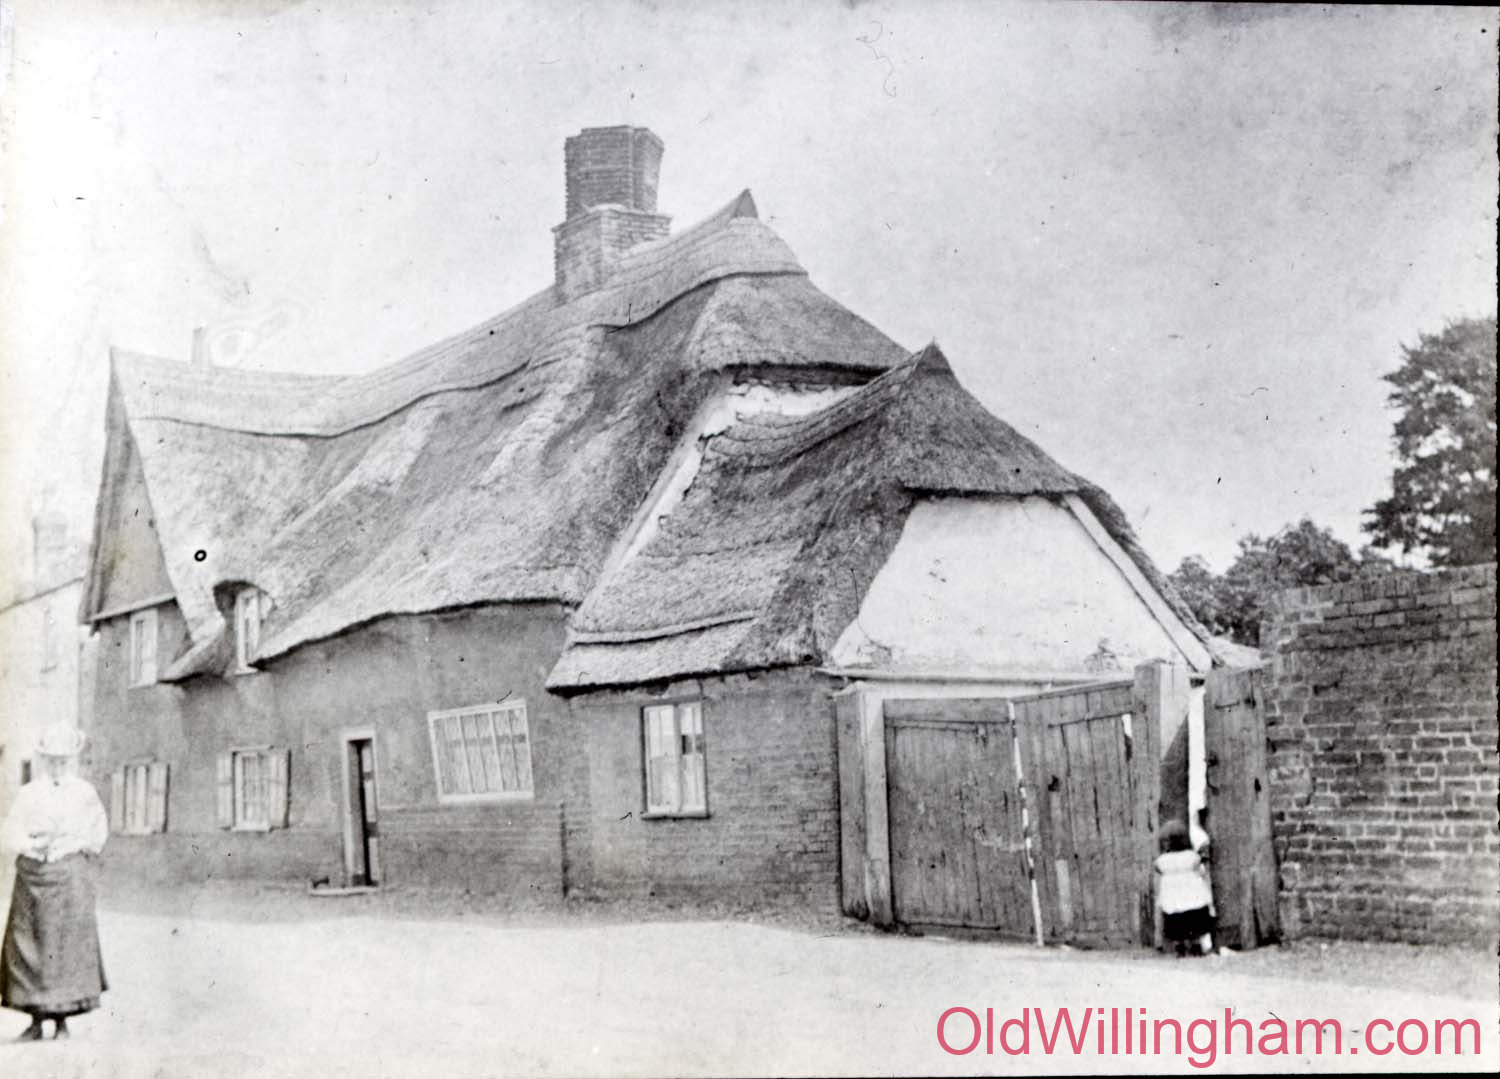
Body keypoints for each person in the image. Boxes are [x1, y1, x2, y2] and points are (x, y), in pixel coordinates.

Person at [1, 726, 109, 1041]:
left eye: (63, 760)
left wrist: (69, 845)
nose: (57, 765)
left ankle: (63, 1022)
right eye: (52, 759)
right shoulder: (29, 793)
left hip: (69, 874)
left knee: (67, 947)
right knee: (30, 945)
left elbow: (97, 832)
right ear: (44, 760)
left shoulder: (84, 793)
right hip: (34, 875)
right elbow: (12, 829)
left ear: (71, 760)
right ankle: (35, 1021)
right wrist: (31, 846)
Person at [1153, 819, 1214, 957]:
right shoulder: (1192, 857)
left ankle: (1179, 946)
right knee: (1195, 918)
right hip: (1191, 892)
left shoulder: (1163, 860)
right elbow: (1200, 869)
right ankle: (1196, 945)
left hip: (1172, 894)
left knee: (1175, 920)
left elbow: (1158, 870)